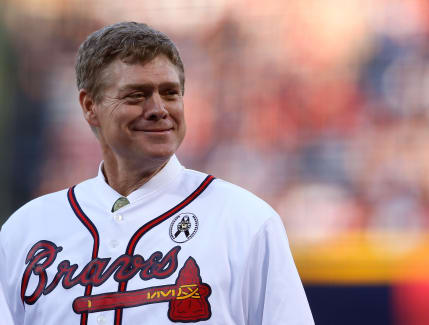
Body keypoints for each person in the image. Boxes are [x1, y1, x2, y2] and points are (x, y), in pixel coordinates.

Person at [0, 22, 314, 325]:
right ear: (89, 106)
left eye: (170, 93)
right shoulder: (27, 230)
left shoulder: (245, 222)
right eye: (136, 94)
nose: (158, 108)